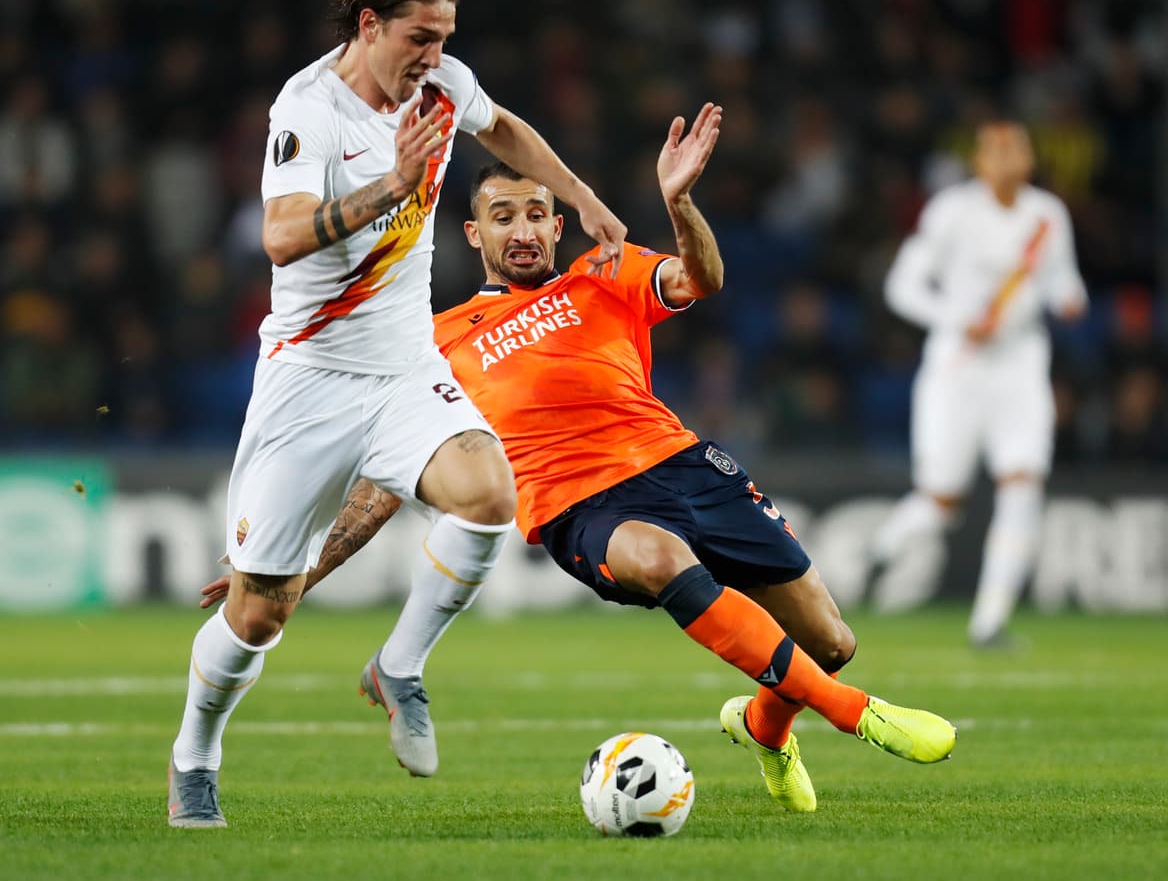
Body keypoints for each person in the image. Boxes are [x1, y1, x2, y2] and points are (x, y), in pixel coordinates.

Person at [203, 103, 958, 815]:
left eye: (536, 214)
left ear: (559, 223)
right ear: (473, 234)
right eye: (503, 217)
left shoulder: (608, 269)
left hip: (686, 464)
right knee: (660, 560)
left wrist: (681, 204)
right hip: (581, 505)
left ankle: (766, 727)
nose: (523, 230)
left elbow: (704, 280)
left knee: (831, 643)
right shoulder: (436, 340)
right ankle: (858, 715)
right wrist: (303, 571)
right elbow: (382, 483)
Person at [168, 0, 627, 828]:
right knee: (258, 610)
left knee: (490, 495)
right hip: (310, 378)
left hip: (407, 367)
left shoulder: (446, 85)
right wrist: (395, 184)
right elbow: (280, 235)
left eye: (446, 36)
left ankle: (400, 666)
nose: (435, 53)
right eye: (421, 35)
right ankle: (196, 753)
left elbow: (507, 131)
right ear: (370, 25)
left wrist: (586, 198)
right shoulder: (307, 108)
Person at [872, 121, 1087, 648]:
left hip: (1020, 364)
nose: (1009, 158)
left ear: (1030, 158)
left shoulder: (1047, 215)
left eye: (1018, 147)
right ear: (980, 160)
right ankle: (876, 553)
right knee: (940, 503)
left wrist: (1069, 298)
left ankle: (988, 623)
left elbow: (1063, 280)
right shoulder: (952, 211)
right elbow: (902, 286)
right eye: (998, 149)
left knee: (1023, 483)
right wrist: (958, 318)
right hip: (958, 365)